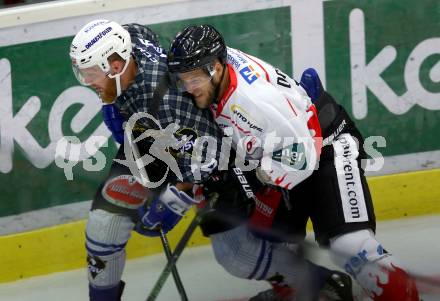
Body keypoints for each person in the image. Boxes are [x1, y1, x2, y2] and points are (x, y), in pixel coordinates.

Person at [167, 25, 421, 301]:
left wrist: (250, 178)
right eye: (183, 80)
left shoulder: (255, 102)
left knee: (352, 247)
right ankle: (320, 289)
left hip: (324, 147)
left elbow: (305, 155)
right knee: (268, 244)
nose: (187, 90)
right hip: (282, 150)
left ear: (215, 67)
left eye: (192, 81)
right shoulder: (218, 72)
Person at [69, 20, 225, 301]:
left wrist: (175, 199)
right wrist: (113, 103)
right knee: (104, 225)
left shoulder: (166, 102)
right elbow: (140, 31)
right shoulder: (129, 39)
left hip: (203, 153)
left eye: (91, 73)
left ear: (115, 67)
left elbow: (208, 158)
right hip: (150, 138)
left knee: (238, 256)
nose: (87, 81)